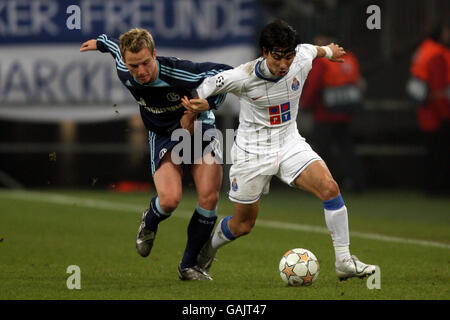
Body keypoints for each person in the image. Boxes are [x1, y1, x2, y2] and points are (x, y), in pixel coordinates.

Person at [182, 20, 376, 282]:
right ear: (264, 52)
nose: (284, 64)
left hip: (289, 144)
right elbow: (205, 87)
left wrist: (330, 51)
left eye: (288, 57)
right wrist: (192, 113)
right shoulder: (243, 76)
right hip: (252, 153)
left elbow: (314, 50)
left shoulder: (301, 58)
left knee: (329, 188)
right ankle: (208, 248)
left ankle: (343, 261)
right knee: (243, 225)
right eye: (277, 57)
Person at [80, 28, 233, 280]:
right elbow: (113, 48)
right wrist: (99, 42)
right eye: (133, 66)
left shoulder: (178, 71)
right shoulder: (123, 67)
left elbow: (227, 76)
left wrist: (204, 105)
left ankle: (188, 266)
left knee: (208, 197)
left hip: (197, 126)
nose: (140, 71)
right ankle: (150, 220)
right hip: (162, 133)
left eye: (145, 63)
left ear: (155, 54)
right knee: (171, 200)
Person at [301, 34, 365, 193]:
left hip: (324, 114)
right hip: (345, 112)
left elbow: (314, 85)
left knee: (323, 152)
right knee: (347, 149)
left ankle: (325, 184)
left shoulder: (322, 61)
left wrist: (305, 104)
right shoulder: (349, 58)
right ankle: (355, 182)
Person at [406, 24, 450, 195]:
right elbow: (439, 88)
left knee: (432, 151)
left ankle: (431, 186)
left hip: (424, 107)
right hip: (436, 110)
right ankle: (438, 188)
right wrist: (445, 113)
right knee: (439, 152)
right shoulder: (437, 53)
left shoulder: (422, 50)